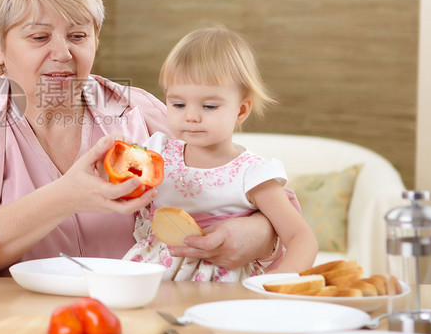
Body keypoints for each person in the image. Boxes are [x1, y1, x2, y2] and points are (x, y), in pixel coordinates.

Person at [0, 0, 282, 276]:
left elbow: (244, 182)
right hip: (13, 318)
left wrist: (261, 234)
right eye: (39, 38)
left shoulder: (140, 110)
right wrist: (66, 196)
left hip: (134, 315)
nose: (62, 53)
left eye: (78, 36)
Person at [124, 26, 318, 281]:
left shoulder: (252, 174)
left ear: (241, 111)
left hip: (222, 286)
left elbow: (301, 238)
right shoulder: (157, 152)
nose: (191, 116)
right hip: (154, 275)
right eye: (178, 104)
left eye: (209, 105)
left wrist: (277, 286)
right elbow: (118, 187)